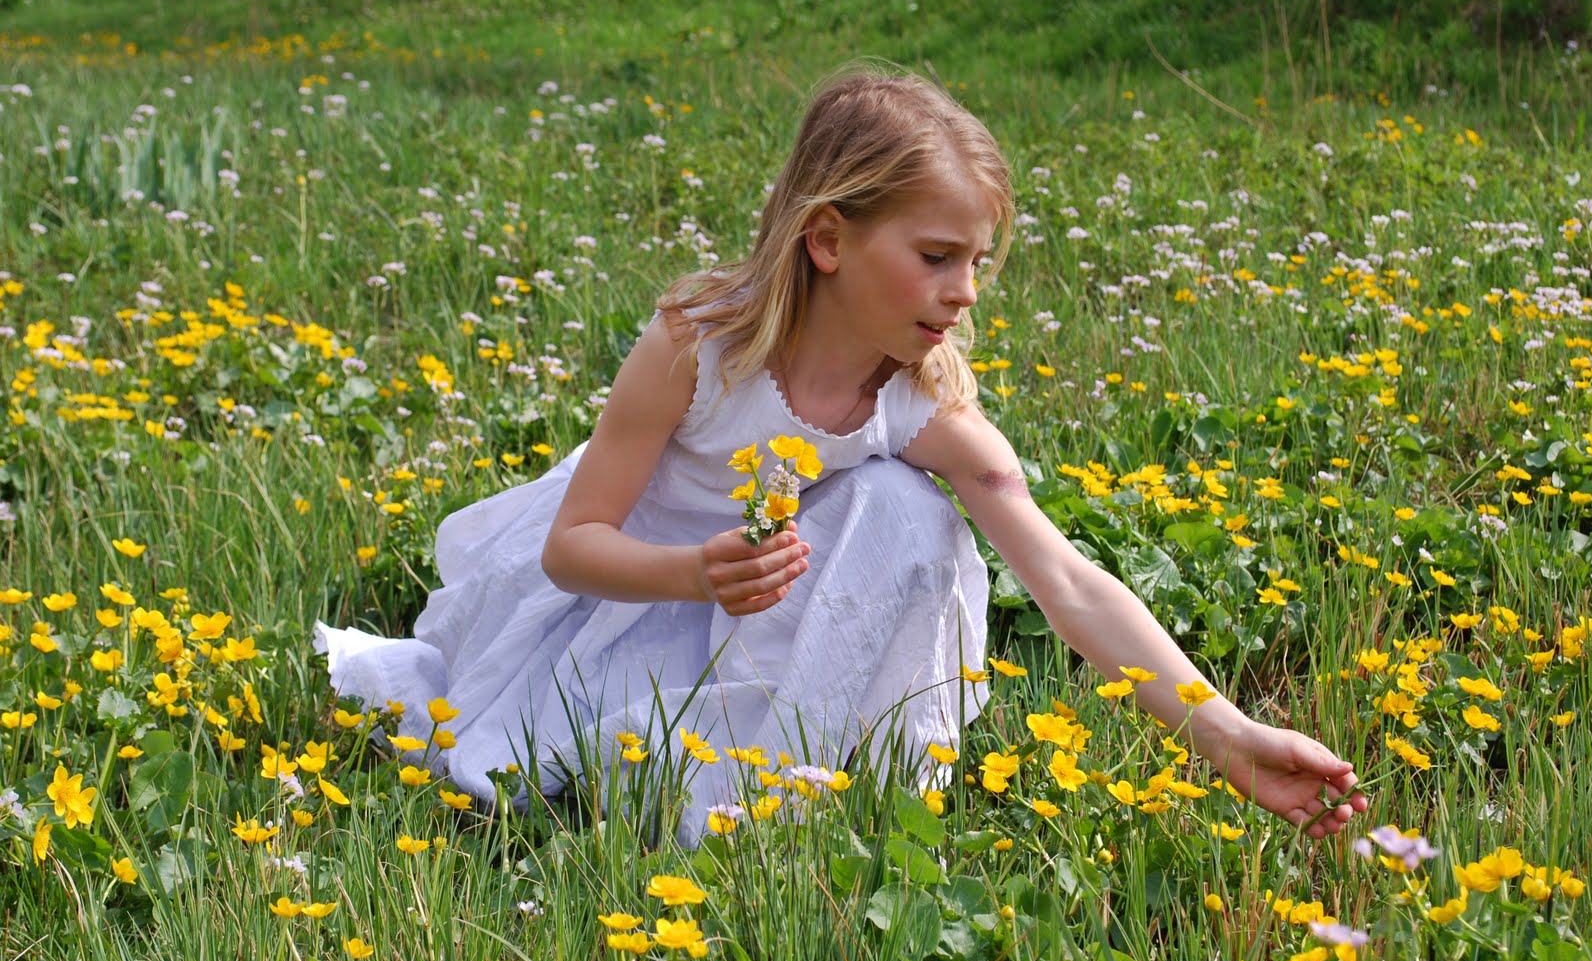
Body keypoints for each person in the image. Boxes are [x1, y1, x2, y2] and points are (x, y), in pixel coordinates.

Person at [316, 67, 1368, 846]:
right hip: (633, 598)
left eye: (976, 263)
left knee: (910, 510)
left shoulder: (919, 408)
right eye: (935, 258)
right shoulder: (698, 347)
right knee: (563, 771)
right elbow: (573, 545)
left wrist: (1221, 730)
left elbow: (1065, 580)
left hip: (764, 619)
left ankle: (800, 767)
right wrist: (692, 572)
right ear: (827, 239)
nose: (964, 292)